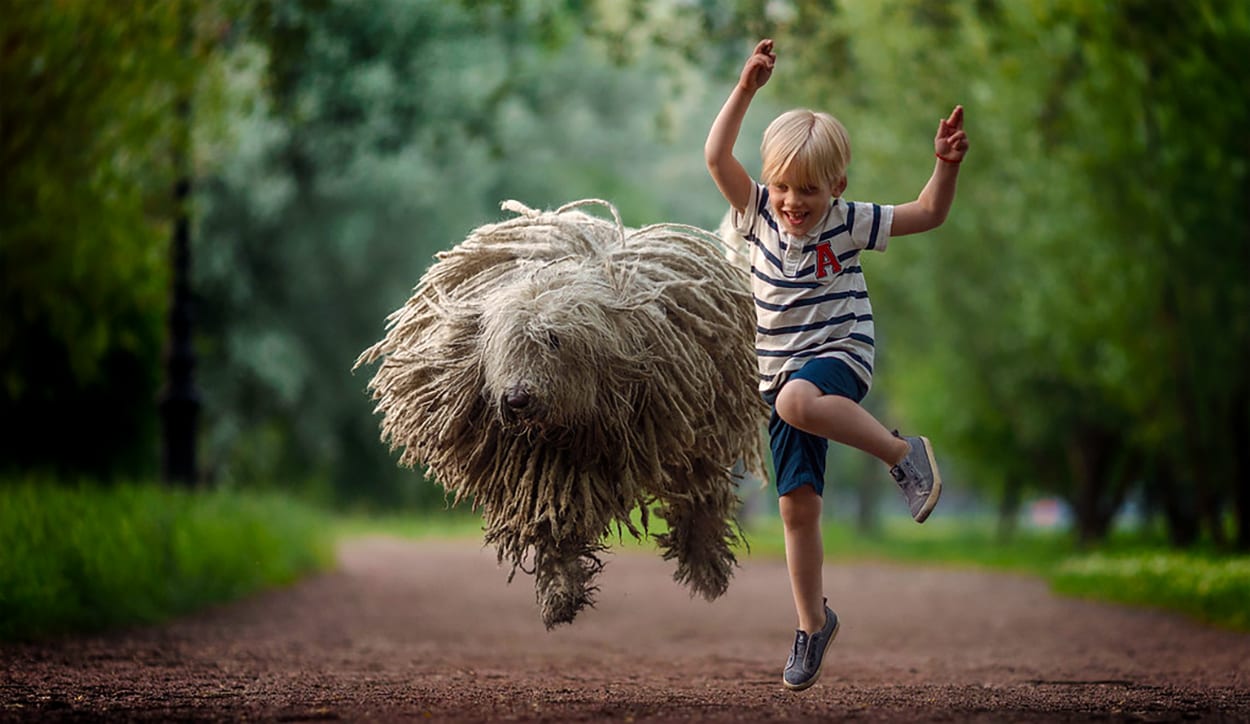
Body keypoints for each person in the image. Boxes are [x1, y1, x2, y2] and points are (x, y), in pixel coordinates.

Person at [704, 39, 969, 691]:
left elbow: (929, 213)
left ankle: (903, 454)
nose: (794, 201)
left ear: (837, 187)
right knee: (796, 508)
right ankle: (812, 625)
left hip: (839, 358)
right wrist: (745, 89)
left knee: (797, 400)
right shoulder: (756, 213)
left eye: (810, 190)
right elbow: (715, 156)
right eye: (784, 186)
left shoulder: (848, 223)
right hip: (779, 378)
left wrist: (944, 166)